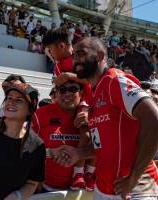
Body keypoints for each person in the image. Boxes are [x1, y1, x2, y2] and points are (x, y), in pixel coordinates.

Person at [53, 37, 158, 199]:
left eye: (81, 54)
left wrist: (133, 178)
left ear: (100, 56)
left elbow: (154, 120)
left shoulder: (113, 80)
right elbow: (104, 146)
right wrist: (79, 153)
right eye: (74, 55)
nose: (75, 60)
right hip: (103, 189)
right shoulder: (94, 94)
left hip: (137, 190)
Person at [42, 28, 95, 191]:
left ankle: (86, 174)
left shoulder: (81, 58)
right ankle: (80, 174)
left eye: (51, 50)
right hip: (75, 106)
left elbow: (93, 79)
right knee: (85, 134)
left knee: (93, 137)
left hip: (90, 103)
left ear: (61, 45)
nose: (50, 54)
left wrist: (70, 76)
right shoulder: (57, 66)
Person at [31, 78, 87, 191]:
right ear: (56, 93)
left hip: (79, 190)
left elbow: (103, 150)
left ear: (81, 93)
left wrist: (79, 154)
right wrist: (50, 153)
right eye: (62, 90)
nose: (67, 93)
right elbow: (27, 149)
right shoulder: (40, 114)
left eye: (73, 89)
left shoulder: (90, 116)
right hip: (44, 187)